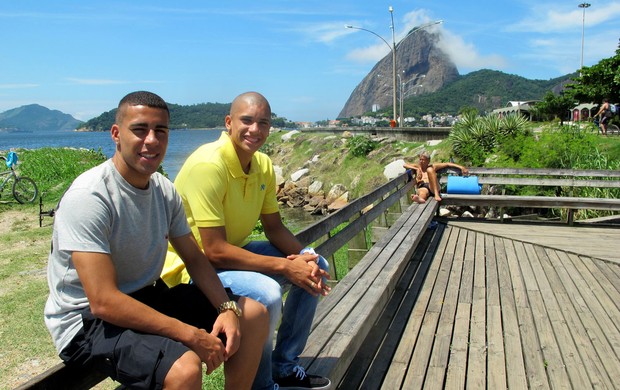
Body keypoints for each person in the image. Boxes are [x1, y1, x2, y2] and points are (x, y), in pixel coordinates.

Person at [44, 91, 269, 390]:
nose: (151, 140)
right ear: (116, 134)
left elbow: (195, 258)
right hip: (86, 322)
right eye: (140, 129)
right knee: (185, 368)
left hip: (146, 295)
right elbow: (103, 301)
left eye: (160, 131)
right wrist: (188, 334)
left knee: (252, 314)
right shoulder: (90, 197)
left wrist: (226, 307)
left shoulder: (163, 189)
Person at [162, 91, 332, 390]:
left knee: (315, 262)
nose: (255, 129)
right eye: (247, 120)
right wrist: (284, 267)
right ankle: (261, 384)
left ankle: (285, 365)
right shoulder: (209, 165)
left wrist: (306, 256)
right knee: (266, 294)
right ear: (229, 122)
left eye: (263, 123)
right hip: (192, 266)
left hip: (233, 251)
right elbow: (213, 251)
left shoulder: (262, 164)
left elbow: (275, 228)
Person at [403, 151, 468, 203]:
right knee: (422, 192)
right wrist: (416, 169)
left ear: (428, 161)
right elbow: (405, 165)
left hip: (434, 187)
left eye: (423, 160)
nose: (421, 161)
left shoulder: (433, 166)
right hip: (423, 186)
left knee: (430, 169)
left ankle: (436, 194)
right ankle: (420, 199)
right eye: (420, 159)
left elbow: (447, 164)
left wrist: (461, 167)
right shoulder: (417, 167)